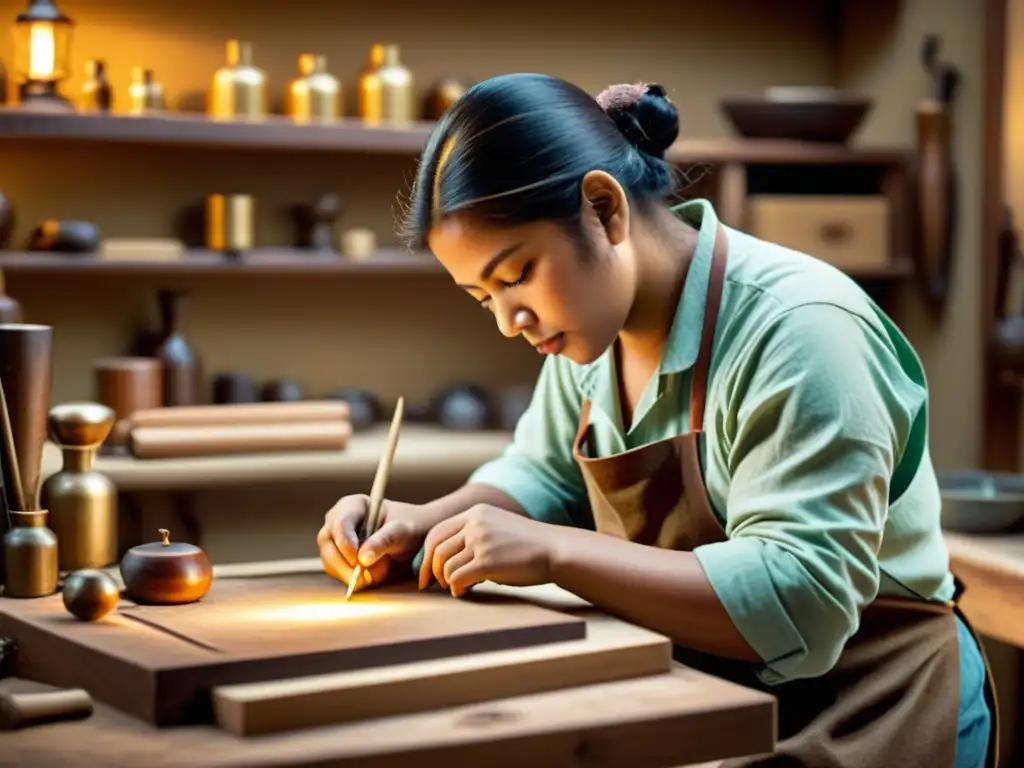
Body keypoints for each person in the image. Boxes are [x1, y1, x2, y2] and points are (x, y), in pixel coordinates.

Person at [317, 73, 996, 768]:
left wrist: (553, 551)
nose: (507, 322)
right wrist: (426, 522)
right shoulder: (589, 336)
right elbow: (538, 478)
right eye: (480, 296)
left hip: (869, 703)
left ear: (604, 209)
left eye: (515, 274)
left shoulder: (802, 332)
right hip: (709, 692)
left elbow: (802, 598)